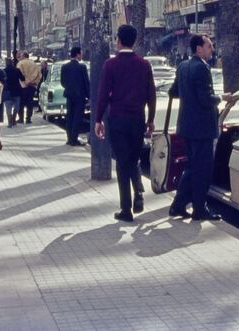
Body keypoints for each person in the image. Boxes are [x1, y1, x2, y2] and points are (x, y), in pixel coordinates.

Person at [94, 25, 156, 222]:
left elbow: (103, 94)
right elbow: (151, 94)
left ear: (118, 40)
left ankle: (126, 208)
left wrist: (97, 119)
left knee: (122, 162)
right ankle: (138, 190)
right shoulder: (144, 64)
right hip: (137, 119)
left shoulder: (110, 65)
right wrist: (151, 119)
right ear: (134, 41)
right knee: (133, 158)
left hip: (118, 120)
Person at [168, 34, 222, 221]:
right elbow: (205, 99)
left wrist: (187, 94)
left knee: (191, 167)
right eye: (209, 46)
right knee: (202, 170)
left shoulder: (183, 66)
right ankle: (199, 209)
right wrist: (222, 98)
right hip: (202, 129)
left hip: (186, 126)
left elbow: (173, 91)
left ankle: (178, 205)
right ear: (199, 48)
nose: (212, 49)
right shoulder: (201, 68)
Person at [61, 46, 90, 146]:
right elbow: (86, 83)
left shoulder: (64, 67)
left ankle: (69, 138)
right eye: (80, 53)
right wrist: (89, 96)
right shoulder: (82, 67)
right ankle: (74, 139)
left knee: (70, 116)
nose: (81, 55)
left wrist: (69, 88)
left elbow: (63, 82)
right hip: (80, 96)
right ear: (78, 54)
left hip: (69, 95)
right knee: (78, 117)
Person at [17, 52, 41, 124]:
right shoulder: (34, 64)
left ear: (23, 56)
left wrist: (25, 82)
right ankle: (28, 118)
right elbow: (39, 75)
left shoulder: (20, 64)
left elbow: (18, 74)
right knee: (29, 103)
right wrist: (34, 82)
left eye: (20, 56)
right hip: (32, 86)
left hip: (22, 86)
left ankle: (21, 118)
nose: (19, 57)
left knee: (21, 103)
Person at [3, 55, 23, 127]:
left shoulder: (4, 71)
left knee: (8, 108)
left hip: (7, 91)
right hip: (16, 91)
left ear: (6, 63)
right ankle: (14, 119)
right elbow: (23, 78)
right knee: (17, 107)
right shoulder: (17, 70)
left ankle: (10, 122)